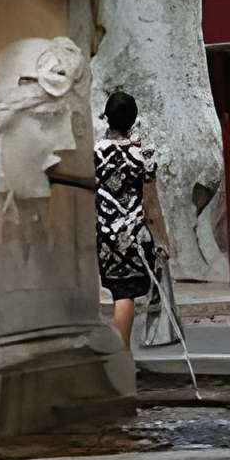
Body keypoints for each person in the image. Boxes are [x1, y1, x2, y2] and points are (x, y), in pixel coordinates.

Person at [94, 88, 166, 349]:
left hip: (104, 236)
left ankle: (120, 354)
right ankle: (122, 355)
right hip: (134, 238)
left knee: (117, 292)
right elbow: (151, 205)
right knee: (125, 296)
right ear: (133, 120)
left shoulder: (96, 153)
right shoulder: (143, 156)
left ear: (107, 118)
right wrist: (162, 241)